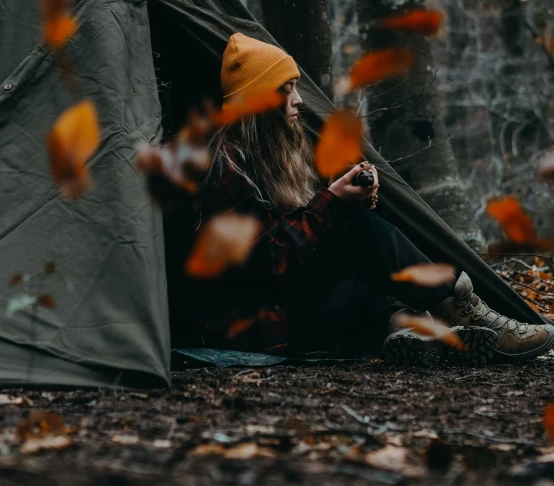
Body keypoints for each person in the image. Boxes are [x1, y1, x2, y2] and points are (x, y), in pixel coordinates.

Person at [193, 33, 554, 365]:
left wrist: (348, 195)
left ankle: (412, 329)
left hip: (296, 311)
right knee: (354, 226)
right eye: (286, 90)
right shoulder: (227, 169)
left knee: (362, 255)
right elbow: (271, 264)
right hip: (264, 329)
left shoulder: (273, 153)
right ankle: (462, 310)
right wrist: (332, 201)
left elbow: (307, 240)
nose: (299, 101)